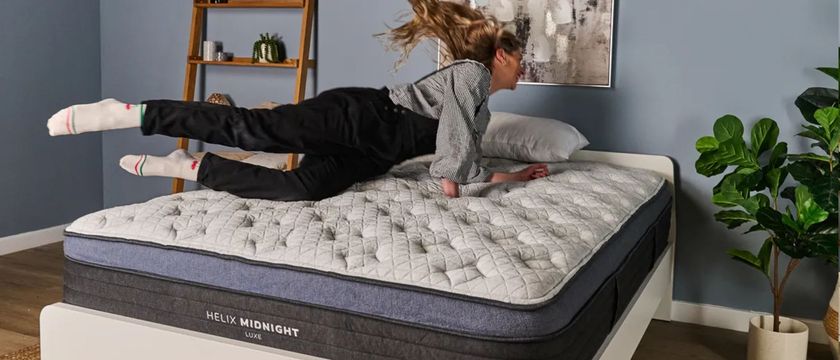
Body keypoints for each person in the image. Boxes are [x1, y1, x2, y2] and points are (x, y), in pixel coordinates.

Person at [46, 0, 548, 201]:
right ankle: (131, 113)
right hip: (360, 115)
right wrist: (452, 186)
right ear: (500, 55)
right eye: (519, 58)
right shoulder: (472, 74)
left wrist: (514, 176)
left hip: (371, 154)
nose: (522, 68)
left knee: (301, 190)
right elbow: (454, 157)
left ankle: (191, 167)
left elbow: (465, 158)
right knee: (257, 129)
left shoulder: (482, 110)